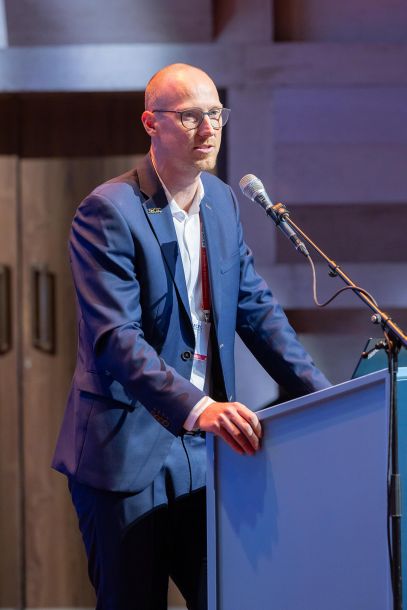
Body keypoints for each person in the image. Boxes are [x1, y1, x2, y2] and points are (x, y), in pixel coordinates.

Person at [52, 63, 330, 610]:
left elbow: (256, 310)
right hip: (125, 453)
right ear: (150, 124)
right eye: (190, 116)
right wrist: (200, 408)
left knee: (228, 597)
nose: (208, 129)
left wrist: (327, 398)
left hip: (205, 456)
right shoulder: (108, 211)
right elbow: (115, 338)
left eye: (216, 115)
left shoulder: (222, 202)